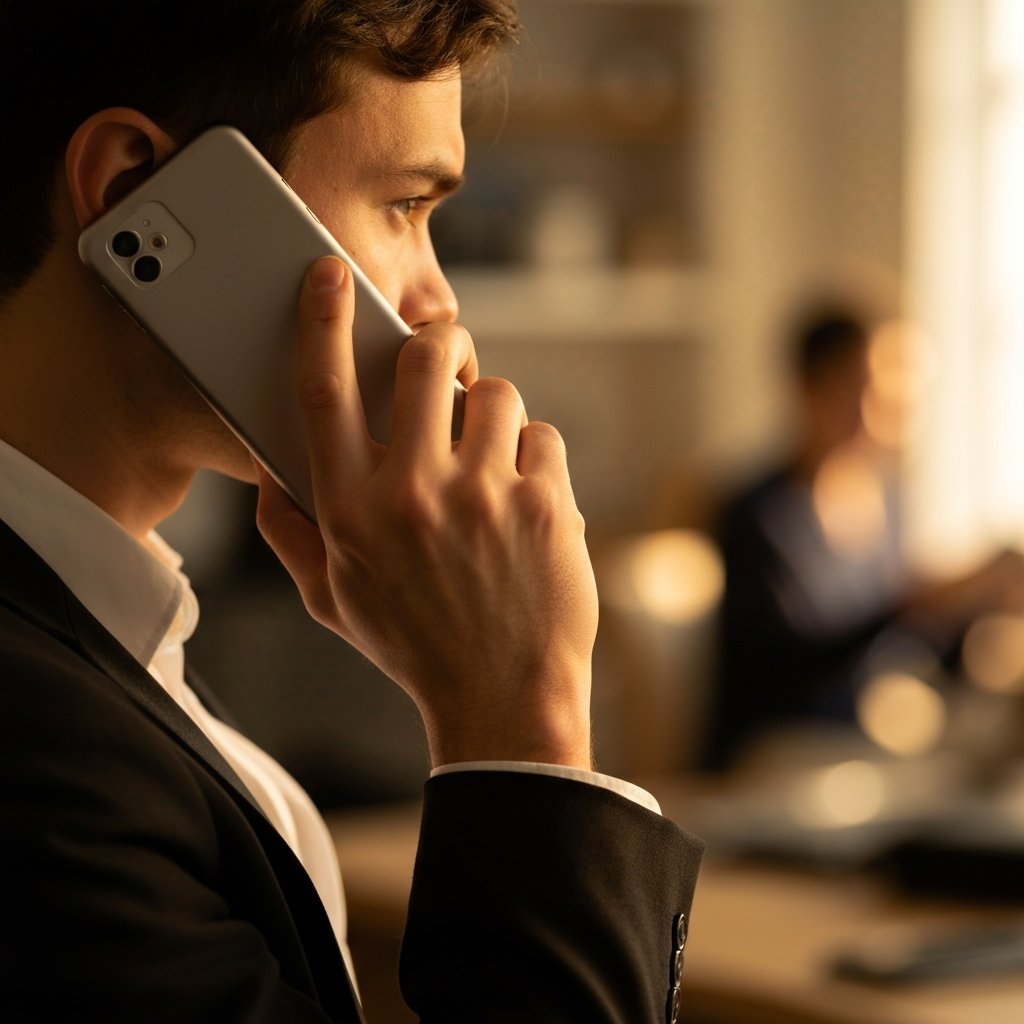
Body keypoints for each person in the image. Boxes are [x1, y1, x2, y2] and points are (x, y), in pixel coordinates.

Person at [0, 3, 703, 1021]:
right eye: (404, 208)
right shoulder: (34, 745)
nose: (437, 303)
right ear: (133, 190)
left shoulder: (100, 626)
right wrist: (520, 713)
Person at [704, 312, 1024, 771]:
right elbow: (788, 672)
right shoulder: (756, 515)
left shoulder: (886, 499)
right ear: (809, 386)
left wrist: (974, 607)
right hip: (780, 746)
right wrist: (910, 606)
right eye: (864, 383)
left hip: (856, 734)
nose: (891, 402)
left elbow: (907, 649)